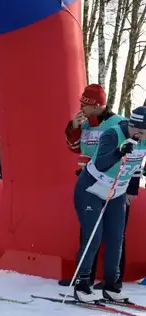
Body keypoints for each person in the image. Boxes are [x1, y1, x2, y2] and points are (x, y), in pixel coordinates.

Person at [72, 106, 146, 303]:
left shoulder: (143, 140)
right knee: (93, 237)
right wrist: (119, 152)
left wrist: (132, 190)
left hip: (116, 192)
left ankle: (112, 286)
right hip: (92, 189)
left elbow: (137, 166)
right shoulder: (112, 134)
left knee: (116, 239)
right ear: (136, 127)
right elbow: (100, 163)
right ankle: (82, 284)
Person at [61, 84, 129, 288]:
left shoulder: (118, 124)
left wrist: (131, 188)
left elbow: (132, 153)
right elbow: (74, 147)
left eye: (85, 104)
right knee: (89, 232)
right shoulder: (86, 124)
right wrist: (73, 126)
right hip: (88, 185)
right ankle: (84, 277)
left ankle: (113, 278)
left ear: (97, 106)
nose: (81, 107)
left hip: (113, 184)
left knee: (115, 235)